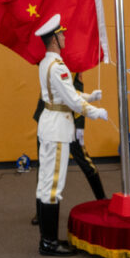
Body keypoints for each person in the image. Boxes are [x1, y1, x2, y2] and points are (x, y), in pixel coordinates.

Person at [31, 15, 110, 256]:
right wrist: (96, 111)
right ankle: (49, 243)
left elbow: (64, 94)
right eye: (62, 34)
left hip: (49, 124)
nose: (65, 37)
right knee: (53, 187)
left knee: (45, 185)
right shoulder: (59, 67)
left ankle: (48, 239)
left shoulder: (47, 63)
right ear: (54, 39)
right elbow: (72, 101)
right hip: (57, 129)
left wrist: (90, 97)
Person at [31, 71, 106, 227]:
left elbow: (75, 91)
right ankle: (41, 210)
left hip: (69, 121)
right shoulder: (51, 62)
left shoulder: (72, 64)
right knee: (44, 166)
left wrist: (80, 126)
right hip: (49, 119)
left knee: (84, 161)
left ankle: (102, 201)